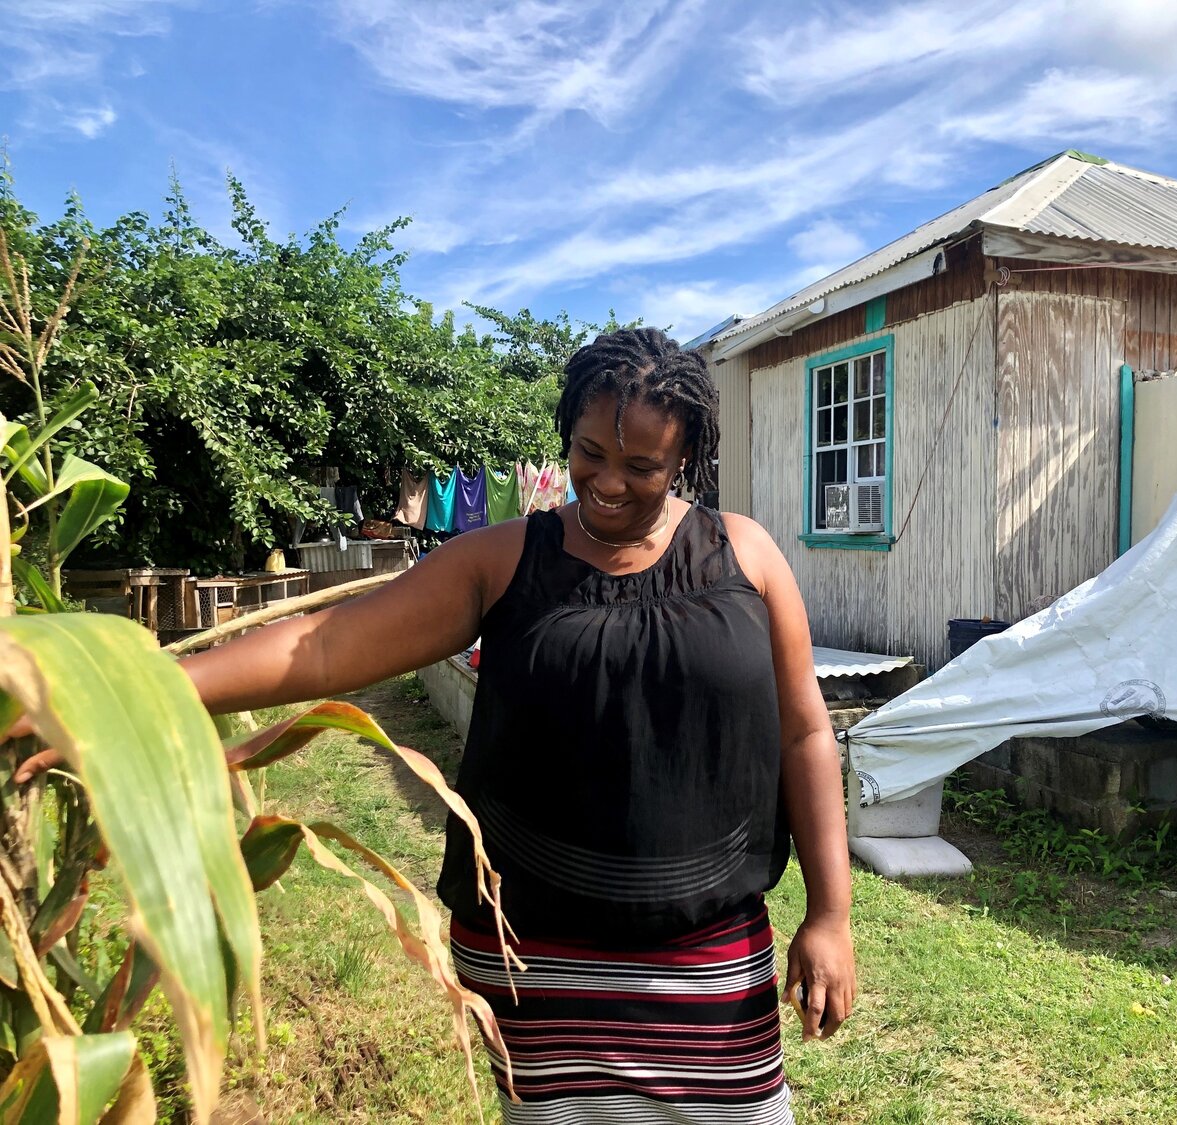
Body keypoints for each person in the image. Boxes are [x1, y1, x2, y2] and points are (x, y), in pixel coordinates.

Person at [108, 328, 855, 1121]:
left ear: (686, 459)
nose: (606, 482)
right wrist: (144, 685)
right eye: (588, 452)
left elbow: (804, 733)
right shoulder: (501, 561)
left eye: (641, 466)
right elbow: (324, 645)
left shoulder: (747, 558)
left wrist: (830, 913)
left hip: (709, 966)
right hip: (534, 962)